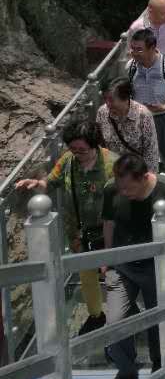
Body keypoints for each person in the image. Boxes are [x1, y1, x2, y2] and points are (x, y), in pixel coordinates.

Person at [101, 153, 165, 379]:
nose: (124, 192)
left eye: (129, 188)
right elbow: (108, 223)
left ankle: (160, 367)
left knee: (159, 320)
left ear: (144, 178)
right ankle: (127, 370)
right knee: (115, 320)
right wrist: (107, 258)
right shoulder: (112, 190)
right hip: (123, 266)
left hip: (158, 267)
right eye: (121, 187)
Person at [15, 119, 116, 335]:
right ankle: (96, 315)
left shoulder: (111, 164)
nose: (77, 154)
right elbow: (51, 181)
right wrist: (36, 185)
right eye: (73, 149)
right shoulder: (68, 161)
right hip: (80, 233)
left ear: (94, 145)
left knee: (115, 274)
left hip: (109, 231)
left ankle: (123, 317)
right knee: (87, 275)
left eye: (82, 150)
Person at [127, 28, 165, 181]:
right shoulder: (131, 67)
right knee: (142, 156)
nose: (134, 52)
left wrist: (164, 106)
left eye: (139, 49)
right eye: (132, 48)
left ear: (152, 48)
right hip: (141, 119)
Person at [96, 79, 159, 171]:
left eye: (111, 100)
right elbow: (100, 144)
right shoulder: (102, 112)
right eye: (105, 98)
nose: (107, 104)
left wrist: (149, 176)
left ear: (125, 98)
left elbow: (151, 151)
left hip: (136, 171)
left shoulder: (143, 115)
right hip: (112, 169)